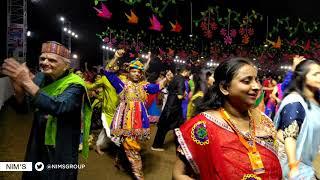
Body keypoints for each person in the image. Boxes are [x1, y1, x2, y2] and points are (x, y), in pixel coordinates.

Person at [173, 58, 282, 180]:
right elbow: (179, 174)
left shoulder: (264, 121)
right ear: (225, 88)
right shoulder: (202, 126)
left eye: (256, 80)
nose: (256, 86)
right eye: (247, 81)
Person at [1, 41, 92, 180]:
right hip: (38, 140)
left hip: (62, 143)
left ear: (66, 65)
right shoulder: (41, 78)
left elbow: (59, 106)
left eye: (52, 60)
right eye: (42, 58)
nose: (44, 62)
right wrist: (18, 88)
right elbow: (24, 109)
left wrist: (27, 82)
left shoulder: (75, 84)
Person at [105, 49, 173, 180]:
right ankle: (138, 174)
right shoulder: (122, 84)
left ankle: (120, 159)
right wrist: (115, 57)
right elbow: (108, 72)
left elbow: (156, 87)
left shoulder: (144, 86)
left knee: (131, 141)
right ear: (129, 72)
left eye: (138, 72)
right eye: (133, 71)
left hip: (139, 120)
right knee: (132, 145)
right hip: (125, 120)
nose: (136, 74)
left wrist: (166, 79)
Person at [274, 59, 320, 179]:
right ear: (303, 78)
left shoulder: (315, 100)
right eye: (316, 74)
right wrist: (293, 167)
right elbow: (290, 137)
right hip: (291, 158)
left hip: (309, 157)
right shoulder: (295, 101)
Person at [151, 67, 191, 151]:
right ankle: (156, 145)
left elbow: (169, 89)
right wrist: (184, 95)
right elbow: (180, 96)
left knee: (177, 126)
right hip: (173, 108)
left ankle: (180, 144)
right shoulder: (181, 80)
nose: (189, 74)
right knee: (164, 127)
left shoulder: (175, 77)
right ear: (186, 71)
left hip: (170, 105)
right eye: (188, 72)